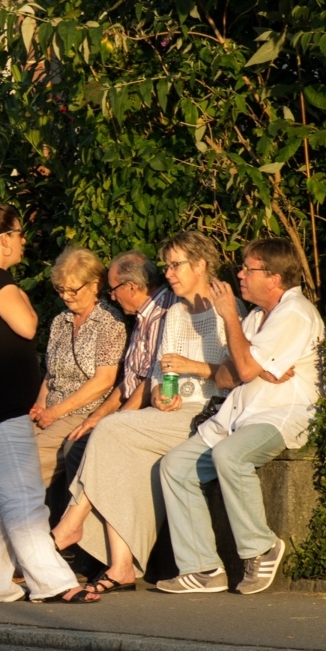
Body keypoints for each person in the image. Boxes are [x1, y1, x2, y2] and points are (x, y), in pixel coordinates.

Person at [51, 232, 238, 593]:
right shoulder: (175, 312)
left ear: (200, 265)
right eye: (167, 266)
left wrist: (193, 368)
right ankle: (121, 566)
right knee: (117, 448)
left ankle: (71, 524)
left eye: (175, 265)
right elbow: (158, 375)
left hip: (211, 412)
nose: (167, 274)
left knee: (110, 429)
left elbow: (237, 375)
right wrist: (161, 395)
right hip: (172, 414)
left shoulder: (227, 309)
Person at [158, 238, 324, 595]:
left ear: (274, 278)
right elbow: (226, 376)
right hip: (241, 413)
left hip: (281, 413)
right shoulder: (257, 317)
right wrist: (254, 366)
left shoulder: (294, 313)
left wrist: (232, 324)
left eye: (249, 269)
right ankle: (203, 568)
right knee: (175, 466)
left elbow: (243, 369)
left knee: (230, 455)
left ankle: (260, 548)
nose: (240, 275)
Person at [0, 204, 96, 603]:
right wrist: (23, 299)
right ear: (2, 239)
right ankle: (53, 582)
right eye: (17, 232)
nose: (23, 240)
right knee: (25, 497)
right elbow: (27, 325)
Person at [60, 251, 178, 475]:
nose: (112, 297)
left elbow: (149, 382)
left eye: (113, 290)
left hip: (151, 412)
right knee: (76, 442)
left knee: (80, 448)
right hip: (132, 410)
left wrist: (115, 422)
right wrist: (97, 417)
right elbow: (129, 381)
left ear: (131, 287)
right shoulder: (143, 316)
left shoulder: (162, 315)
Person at [32, 247, 126, 522]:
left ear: (94, 284)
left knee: (26, 462)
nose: (65, 296)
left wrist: (55, 412)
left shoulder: (110, 322)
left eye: (72, 290)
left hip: (84, 411)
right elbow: (51, 373)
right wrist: (39, 405)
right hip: (52, 409)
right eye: (60, 290)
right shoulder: (60, 321)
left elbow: (104, 381)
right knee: (6, 447)